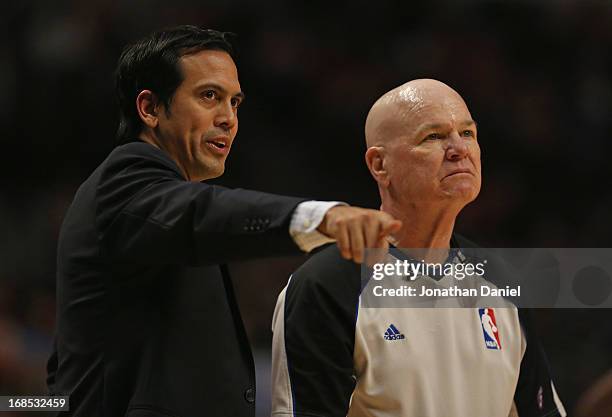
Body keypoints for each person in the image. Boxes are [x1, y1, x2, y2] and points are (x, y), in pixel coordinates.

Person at [46, 25, 402, 417]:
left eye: (235, 102)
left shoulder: (149, 208)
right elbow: (203, 213)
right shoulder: (127, 179)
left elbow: (68, 364)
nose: (229, 119)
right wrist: (320, 216)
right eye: (209, 96)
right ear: (149, 108)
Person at [271, 79, 566, 417]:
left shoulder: (501, 280)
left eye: (467, 133)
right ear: (380, 165)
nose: (459, 148)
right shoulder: (326, 286)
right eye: (434, 137)